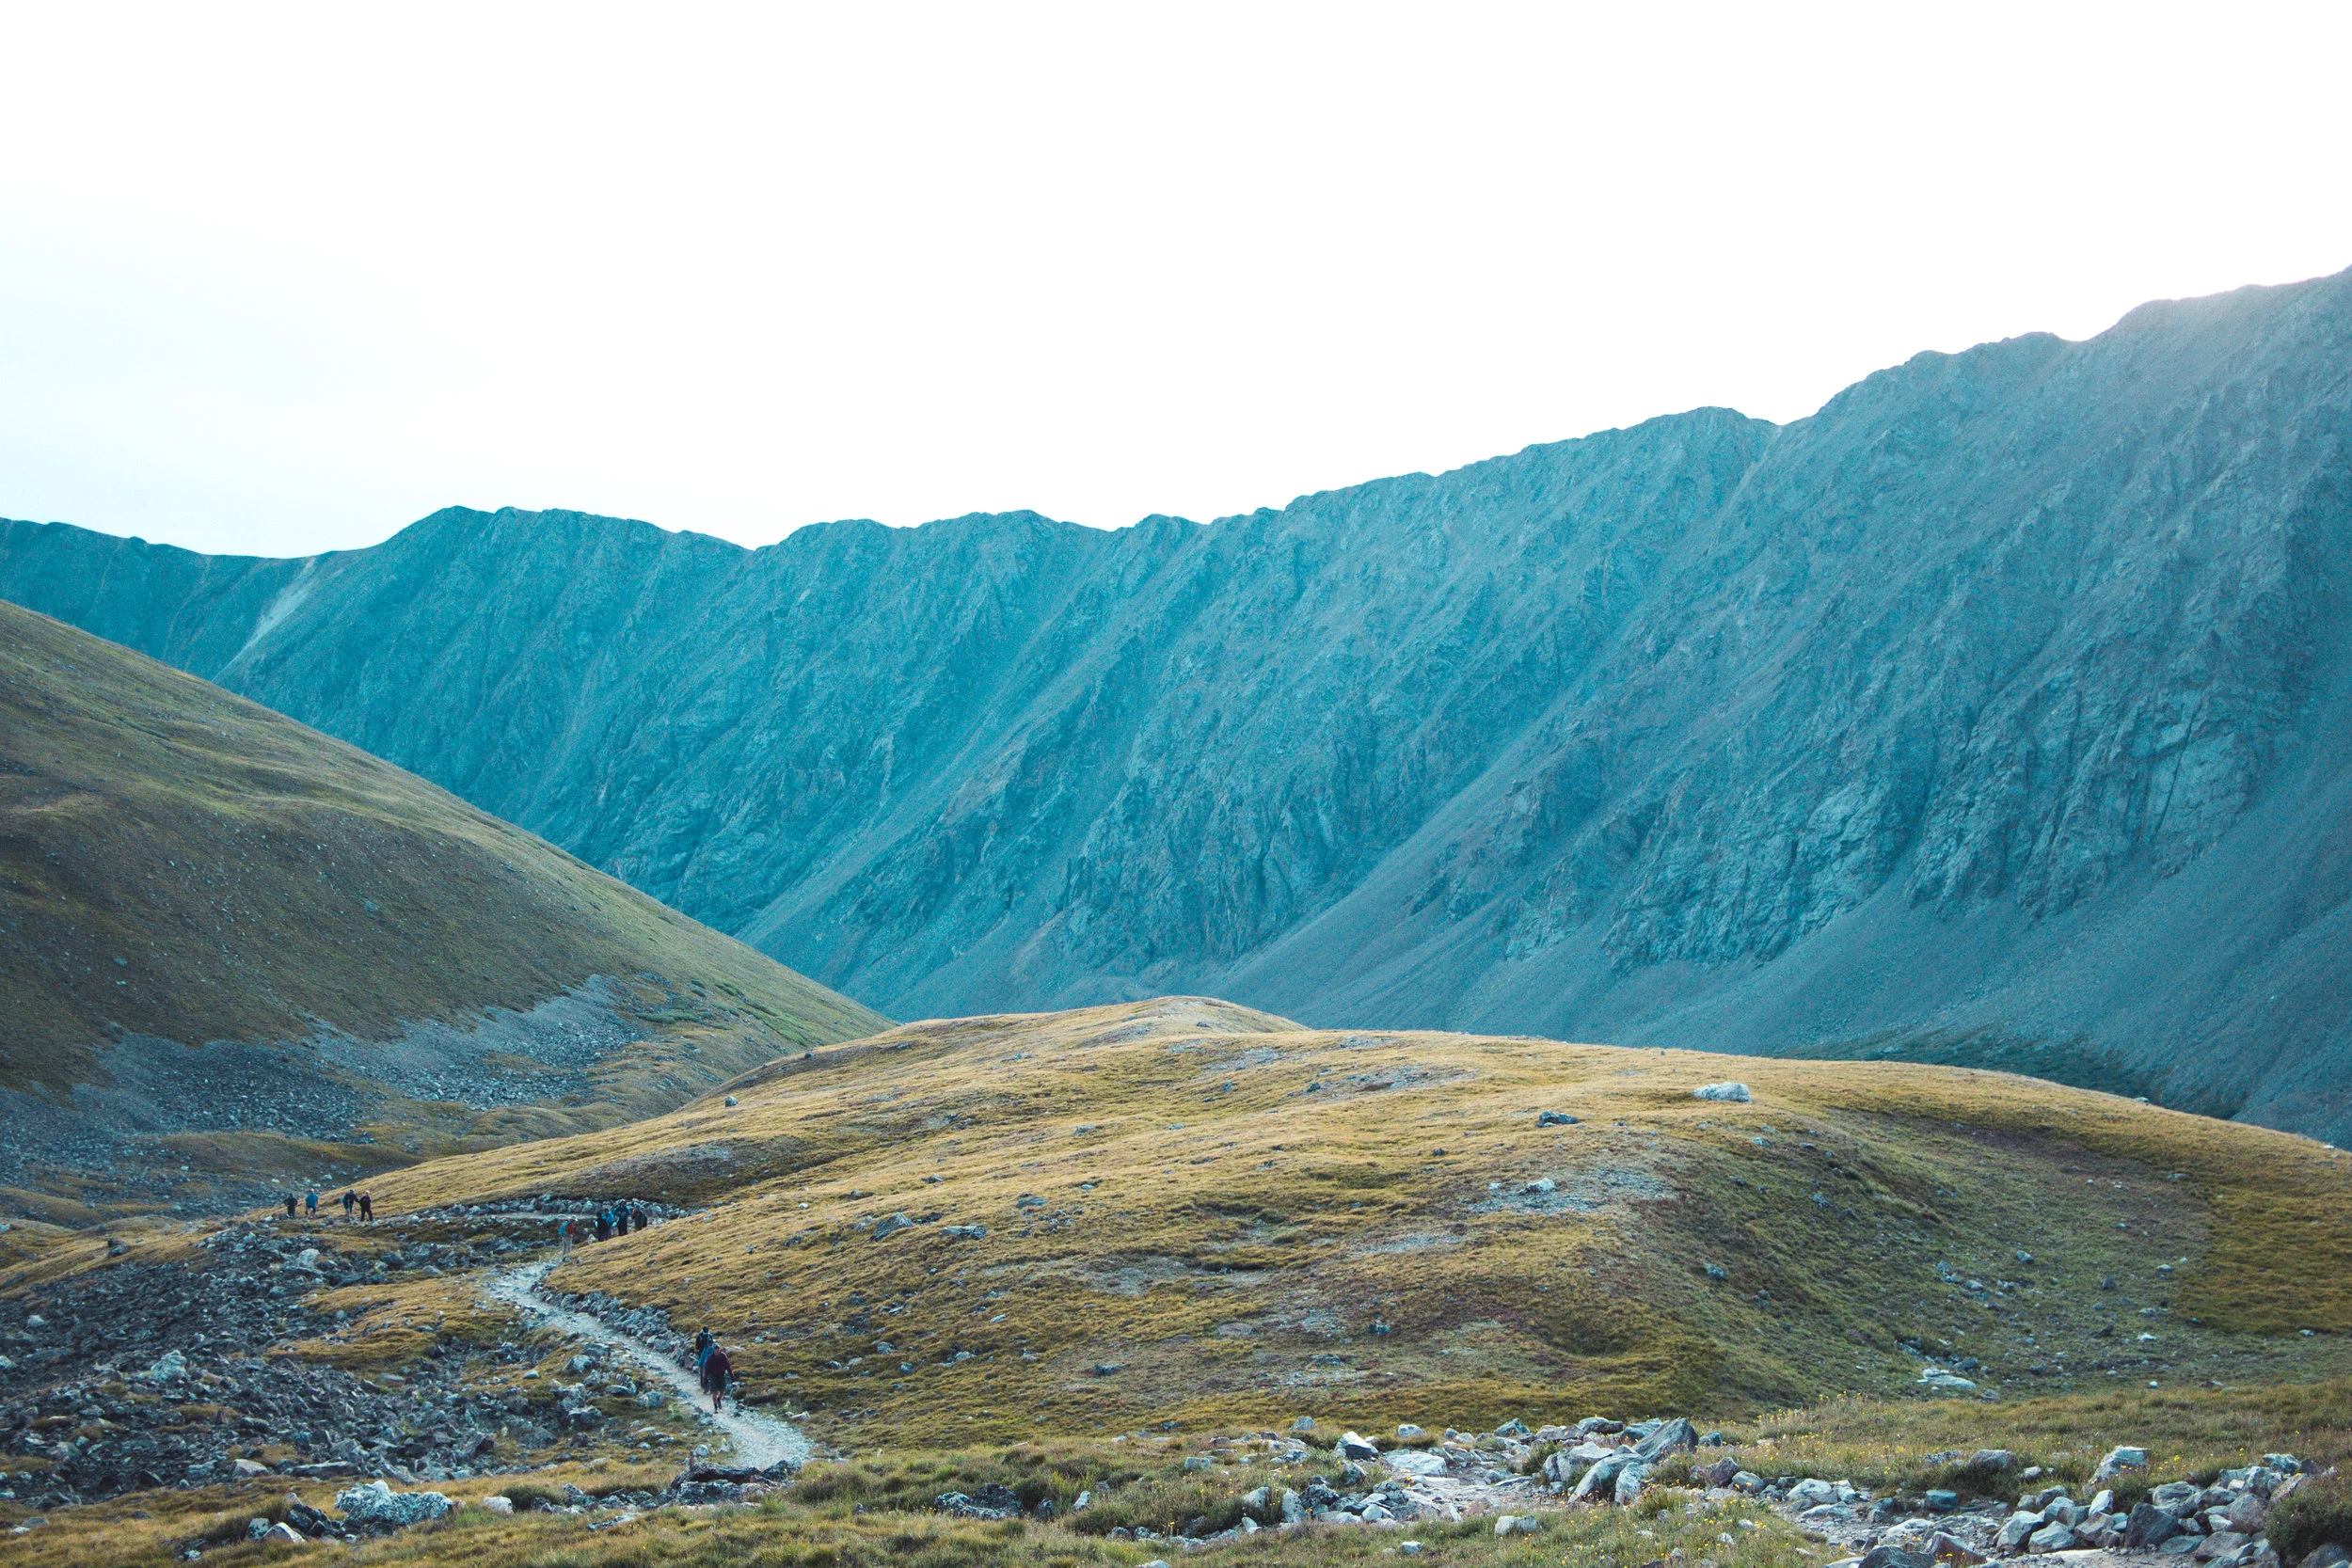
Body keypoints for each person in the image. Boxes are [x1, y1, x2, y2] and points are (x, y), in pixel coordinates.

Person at [700, 1343, 732, 1414]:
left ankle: (719, 1399)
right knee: (714, 1392)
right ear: (714, 1350)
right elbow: (707, 1368)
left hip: (721, 1375)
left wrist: (731, 1375)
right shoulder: (710, 1357)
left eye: (718, 1349)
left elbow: (728, 1366)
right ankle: (715, 1407)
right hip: (713, 1376)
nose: (717, 1351)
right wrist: (705, 1378)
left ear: (719, 1349)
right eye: (715, 1350)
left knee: (722, 1391)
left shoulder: (723, 1356)